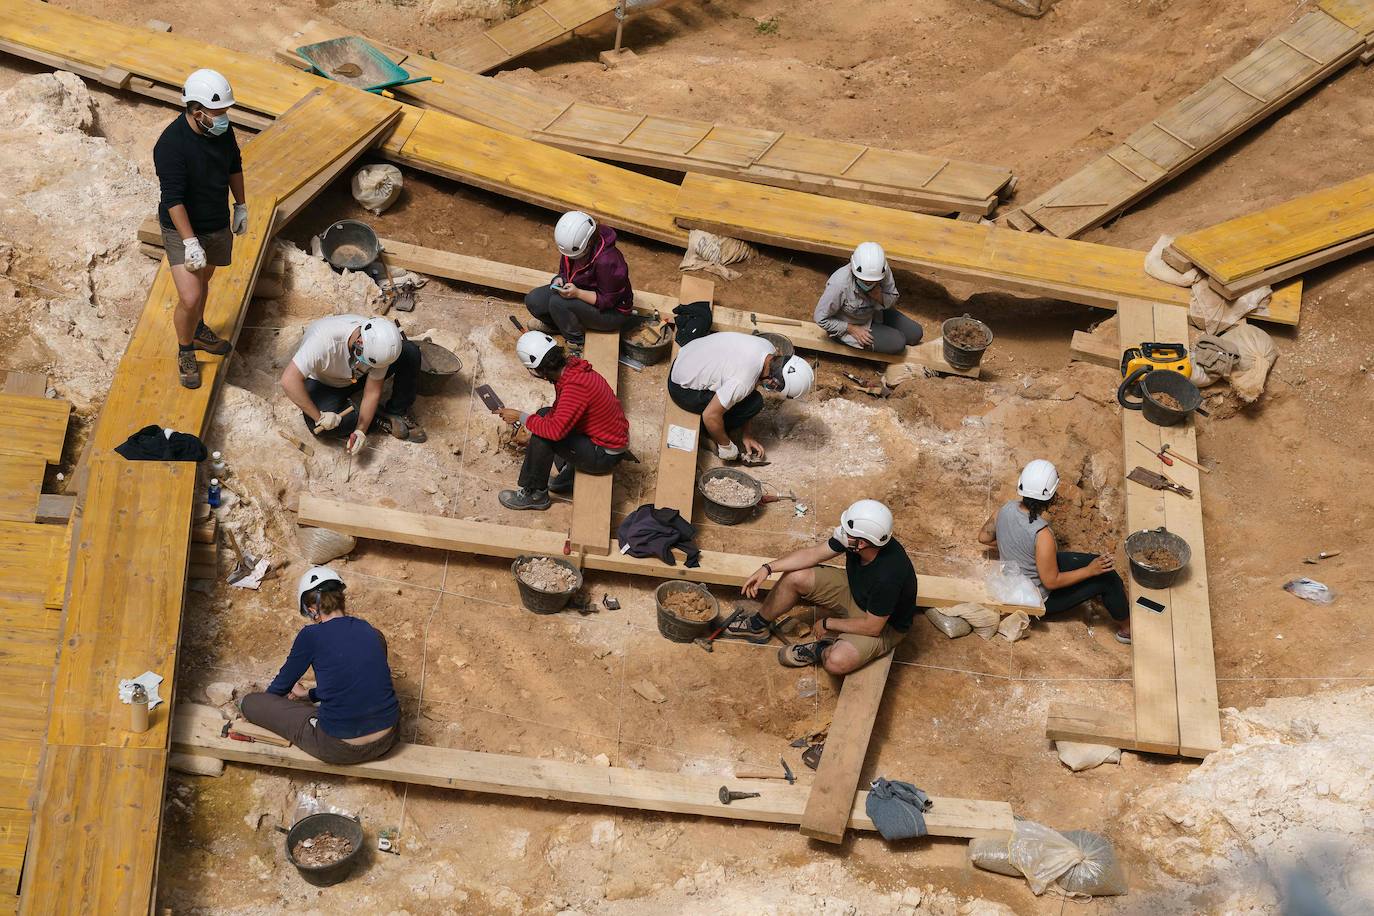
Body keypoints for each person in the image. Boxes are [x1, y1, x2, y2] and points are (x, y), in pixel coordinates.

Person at [727, 500, 917, 674]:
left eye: (848, 532)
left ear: (862, 543)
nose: (842, 532)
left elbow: (872, 627)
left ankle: (821, 649)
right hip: (858, 591)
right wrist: (768, 568)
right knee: (796, 576)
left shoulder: (888, 576)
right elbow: (813, 554)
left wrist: (828, 623)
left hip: (883, 625)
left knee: (837, 661)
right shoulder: (859, 542)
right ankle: (757, 625)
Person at [240, 566, 400, 764]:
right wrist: (309, 695)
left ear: (313, 609)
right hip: (387, 739)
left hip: (340, 748)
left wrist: (268, 705)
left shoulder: (311, 636)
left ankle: (254, 705)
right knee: (338, 707)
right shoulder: (372, 632)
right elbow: (357, 680)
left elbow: (281, 686)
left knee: (250, 702)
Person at [154, 69, 248, 390]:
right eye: (217, 113)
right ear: (197, 112)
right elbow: (173, 200)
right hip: (182, 227)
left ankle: (197, 328)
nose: (224, 119)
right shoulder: (170, 145)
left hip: (216, 220)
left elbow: (234, 165)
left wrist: (241, 205)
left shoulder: (222, 131)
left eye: (225, 112)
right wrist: (190, 242)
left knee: (205, 280)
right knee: (190, 296)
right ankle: (185, 349)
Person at [977, 459, 1131, 644]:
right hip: (1036, 599)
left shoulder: (1004, 509)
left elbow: (983, 538)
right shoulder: (1042, 534)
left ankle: (1110, 595)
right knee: (1108, 579)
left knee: (1098, 563)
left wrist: (1011, 544)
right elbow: (1051, 581)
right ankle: (1127, 630)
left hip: (1011, 579)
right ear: (1051, 496)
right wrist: (1090, 571)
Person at [496, 331, 631, 511]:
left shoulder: (575, 387)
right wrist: (535, 420)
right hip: (603, 440)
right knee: (544, 414)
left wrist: (520, 416)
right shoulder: (572, 372)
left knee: (543, 436)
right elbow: (558, 413)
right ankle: (570, 473)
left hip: (604, 455)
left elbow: (554, 432)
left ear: (538, 370)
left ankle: (535, 494)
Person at [279, 314, 427, 454]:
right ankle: (376, 419)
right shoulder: (323, 341)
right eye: (368, 361)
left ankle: (396, 411)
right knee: (322, 427)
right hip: (324, 381)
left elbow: (372, 392)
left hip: (355, 375)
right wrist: (319, 417)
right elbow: (288, 380)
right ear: (360, 342)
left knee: (409, 351)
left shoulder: (380, 346)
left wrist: (360, 430)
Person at [667, 331, 814, 462]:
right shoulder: (743, 382)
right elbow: (709, 415)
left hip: (687, 356)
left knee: (752, 399)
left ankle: (721, 431)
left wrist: (747, 434)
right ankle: (709, 435)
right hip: (681, 387)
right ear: (773, 380)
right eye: (776, 387)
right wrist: (726, 447)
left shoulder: (767, 348)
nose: (773, 389)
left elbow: (749, 388)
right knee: (748, 404)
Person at [524, 210, 634, 348]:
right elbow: (564, 271)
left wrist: (577, 294)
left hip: (612, 313)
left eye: (575, 255)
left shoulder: (608, 261)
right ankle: (558, 325)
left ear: (588, 244)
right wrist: (560, 279)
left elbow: (607, 301)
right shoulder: (572, 247)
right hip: (581, 295)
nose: (570, 258)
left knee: (558, 302)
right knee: (534, 300)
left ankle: (575, 340)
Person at [814, 242, 923, 355]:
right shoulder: (839, 284)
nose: (870, 283)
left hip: (876, 311)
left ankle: (882, 331)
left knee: (915, 333)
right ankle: (843, 339)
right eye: (865, 281)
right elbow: (820, 318)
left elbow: (893, 296)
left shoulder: (881, 270)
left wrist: (879, 297)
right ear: (853, 269)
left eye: (874, 281)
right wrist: (851, 329)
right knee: (899, 342)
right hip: (854, 324)